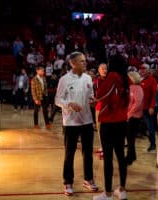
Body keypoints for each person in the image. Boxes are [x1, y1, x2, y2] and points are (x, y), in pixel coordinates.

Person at [55, 51, 98, 196]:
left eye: (85, 61)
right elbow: (57, 100)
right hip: (70, 122)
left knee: (88, 153)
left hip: (87, 120)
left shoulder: (87, 78)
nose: (85, 63)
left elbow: (90, 96)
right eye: (81, 61)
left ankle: (88, 179)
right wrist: (69, 104)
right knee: (69, 153)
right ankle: (68, 182)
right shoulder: (64, 79)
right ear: (72, 63)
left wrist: (92, 101)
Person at [93, 54, 129, 200]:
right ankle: (122, 190)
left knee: (108, 158)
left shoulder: (112, 76)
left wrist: (95, 96)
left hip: (109, 122)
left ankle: (107, 193)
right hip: (122, 122)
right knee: (121, 157)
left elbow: (101, 94)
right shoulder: (127, 78)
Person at [125, 71, 143, 165]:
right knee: (130, 138)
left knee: (130, 138)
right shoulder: (132, 87)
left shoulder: (137, 88)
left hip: (133, 117)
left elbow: (138, 103)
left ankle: (129, 158)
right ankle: (132, 155)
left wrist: (129, 114)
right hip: (131, 116)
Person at [139, 63, 157, 152]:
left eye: (144, 69)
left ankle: (153, 144)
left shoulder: (152, 80)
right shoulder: (138, 79)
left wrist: (152, 107)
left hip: (146, 108)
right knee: (131, 126)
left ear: (148, 70)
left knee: (150, 127)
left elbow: (154, 94)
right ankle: (130, 142)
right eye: (141, 69)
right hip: (138, 108)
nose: (142, 70)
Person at [94, 63, 108, 156]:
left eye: (105, 68)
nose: (104, 70)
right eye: (102, 68)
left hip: (108, 107)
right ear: (98, 70)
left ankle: (106, 149)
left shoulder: (111, 80)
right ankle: (103, 146)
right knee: (99, 128)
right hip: (99, 107)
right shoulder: (96, 81)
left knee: (106, 129)